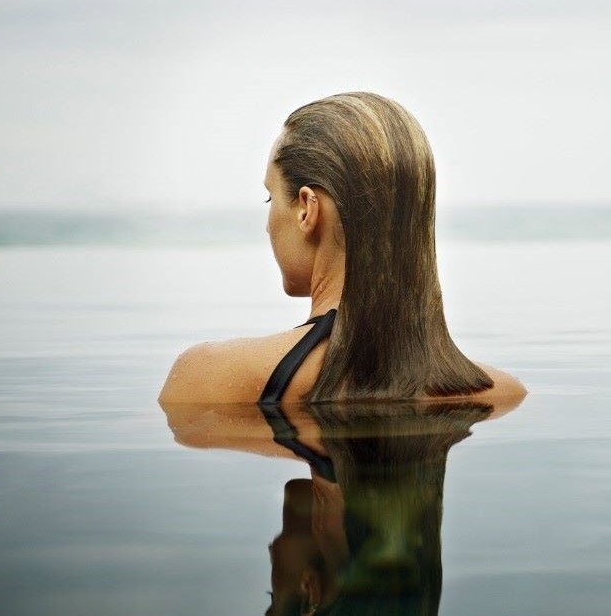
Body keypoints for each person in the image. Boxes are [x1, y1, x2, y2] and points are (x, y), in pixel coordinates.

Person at [157, 91, 527, 405]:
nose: (267, 223)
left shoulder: (205, 378)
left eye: (270, 199)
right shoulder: (503, 396)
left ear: (306, 209)